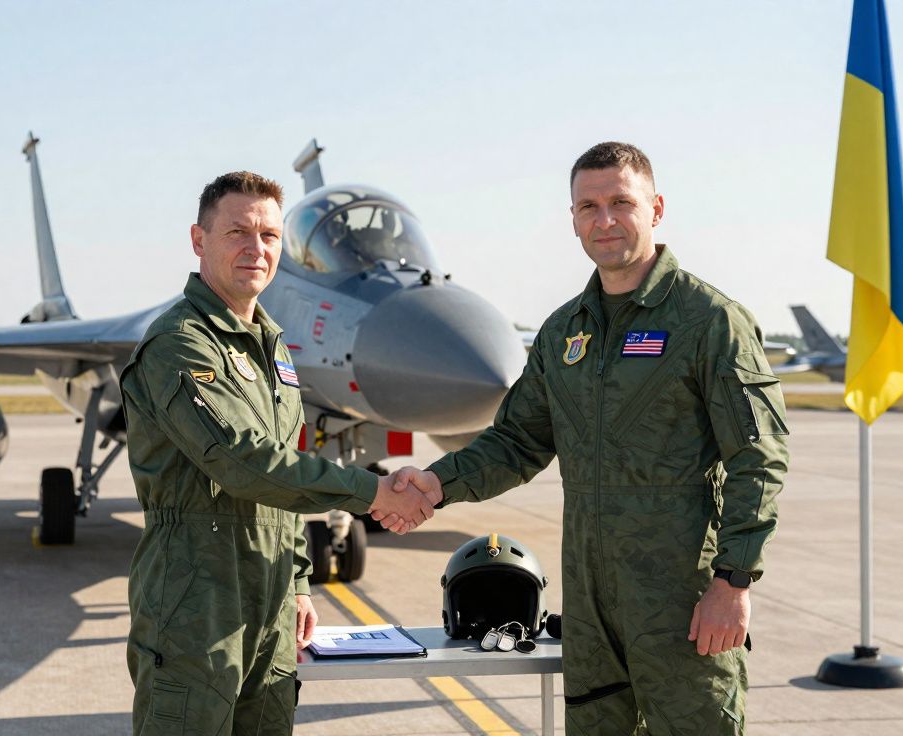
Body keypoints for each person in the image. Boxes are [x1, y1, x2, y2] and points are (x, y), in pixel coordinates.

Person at [384, 142, 788, 734]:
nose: (605, 221)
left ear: (656, 209)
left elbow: (759, 458)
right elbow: (517, 441)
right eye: (588, 207)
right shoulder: (563, 332)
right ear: (572, 219)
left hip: (683, 599)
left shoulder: (709, 321)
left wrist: (734, 582)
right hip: (591, 607)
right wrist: (435, 482)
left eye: (621, 202)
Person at [119, 171, 437, 736]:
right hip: (194, 604)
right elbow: (246, 463)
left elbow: (282, 483)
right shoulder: (180, 343)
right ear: (198, 240)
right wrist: (372, 491)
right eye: (237, 232)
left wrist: (297, 584)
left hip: (270, 608)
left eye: (268, 236)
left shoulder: (273, 347)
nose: (256, 248)